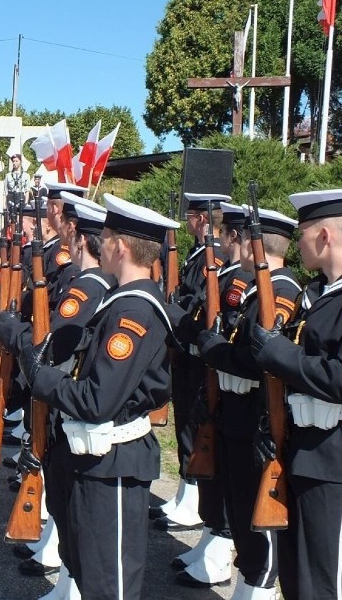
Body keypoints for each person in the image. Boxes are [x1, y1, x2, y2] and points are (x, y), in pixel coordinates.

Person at [17, 194, 178, 599]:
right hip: (94, 459)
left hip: (114, 465)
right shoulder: (119, 301)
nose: (97, 244)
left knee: (110, 587)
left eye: (103, 237)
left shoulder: (134, 312)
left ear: (120, 246)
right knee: (89, 574)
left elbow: (97, 400)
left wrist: (41, 378)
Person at [194, 204, 299, 598]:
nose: (227, 242)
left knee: (258, 513)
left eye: (233, 235)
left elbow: (255, 359)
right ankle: (247, 577)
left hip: (258, 414)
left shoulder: (282, 291)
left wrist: (214, 349)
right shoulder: (255, 287)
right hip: (234, 411)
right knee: (238, 507)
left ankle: (258, 586)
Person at [250, 189, 342, 600]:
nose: (297, 241)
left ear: (324, 236)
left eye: (302, 232)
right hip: (303, 449)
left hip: (333, 460)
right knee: (298, 577)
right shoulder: (317, 294)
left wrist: (280, 354)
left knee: (324, 580)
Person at [154, 192, 230, 533]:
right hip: (187, 350)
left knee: (193, 426)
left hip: (199, 356)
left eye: (190, 216)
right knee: (184, 422)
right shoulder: (198, 253)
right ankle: (186, 493)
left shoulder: (211, 257)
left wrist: (175, 308)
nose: (187, 221)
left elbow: (201, 302)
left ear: (201, 219)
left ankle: (194, 498)